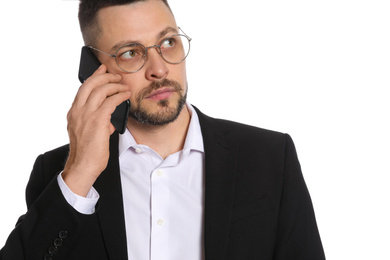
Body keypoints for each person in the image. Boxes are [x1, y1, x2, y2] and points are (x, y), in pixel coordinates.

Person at [0, 0, 325, 259]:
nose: (159, 69)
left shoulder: (270, 157)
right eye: (131, 53)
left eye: (168, 42)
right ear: (95, 71)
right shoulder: (61, 176)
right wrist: (81, 171)